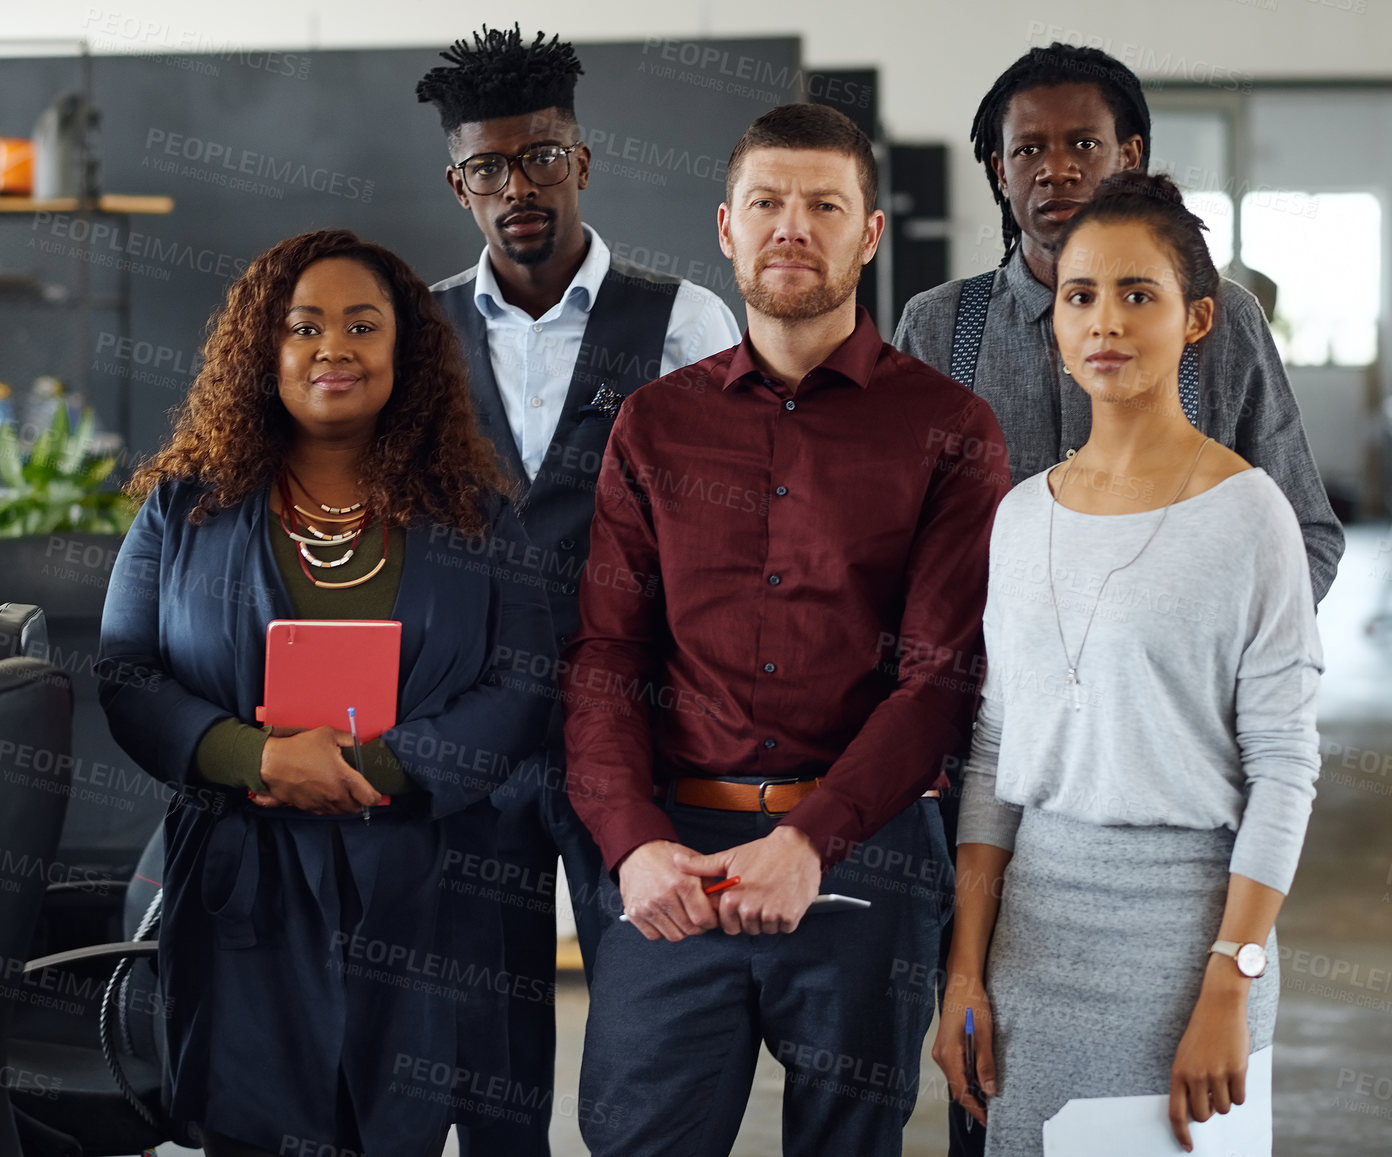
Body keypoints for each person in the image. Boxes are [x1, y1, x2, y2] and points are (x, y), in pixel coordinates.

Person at [564, 103, 1009, 1157]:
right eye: (766, 202)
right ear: (726, 227)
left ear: (867, 234)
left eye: (823, 204)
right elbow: (605, 658)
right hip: (674, 858)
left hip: (863, 864)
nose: (790, 227)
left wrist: (811, 839)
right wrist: (630, 845)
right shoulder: (656, 422)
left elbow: (940, 680)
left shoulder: (949, 427)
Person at [96, 229, 556, 1157]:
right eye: (302, 326)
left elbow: (524, 683)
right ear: (263, 349)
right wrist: (259, 758)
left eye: (361, 324)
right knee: (253, 1125)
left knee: (401, 1127)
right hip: (244, 880)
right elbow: (127, 674)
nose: (331, 348)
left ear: (405, 350)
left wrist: (373, 769)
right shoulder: (184, 507)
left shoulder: (476, 510)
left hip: (424, 876)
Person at [932, 172, 1322, 1157]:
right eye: (1079, 294)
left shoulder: (1249, 516)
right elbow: (992, 751)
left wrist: (1229, 978)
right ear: (1055, 321)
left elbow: (1282, 761)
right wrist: (966, 968)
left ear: (1196, 319)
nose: (1104, 321)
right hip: (1032, 943)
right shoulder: (1020, 517)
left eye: (1136, 293)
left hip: (1186, 947)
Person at [415, 25, 741, 1153]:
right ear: (458, 184)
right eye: (488, 169)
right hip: (469, 737)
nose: (519, 189)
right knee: (486, 1052)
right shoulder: (416, 336)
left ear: (581, 159)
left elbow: (724, 554)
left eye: (541, 158)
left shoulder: (686, 323)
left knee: (651, 1033)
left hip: (637, 736)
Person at [893, 43, 1341, 606]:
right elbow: (895, 536)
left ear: (1129, 156)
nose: (1056, 168)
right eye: (1028, 149)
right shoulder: (937, 325)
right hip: (990, 687)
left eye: (1084, 143)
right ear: (1000, 170)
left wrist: (1219, 657)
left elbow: (1306, 532)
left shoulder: (1220, 318)